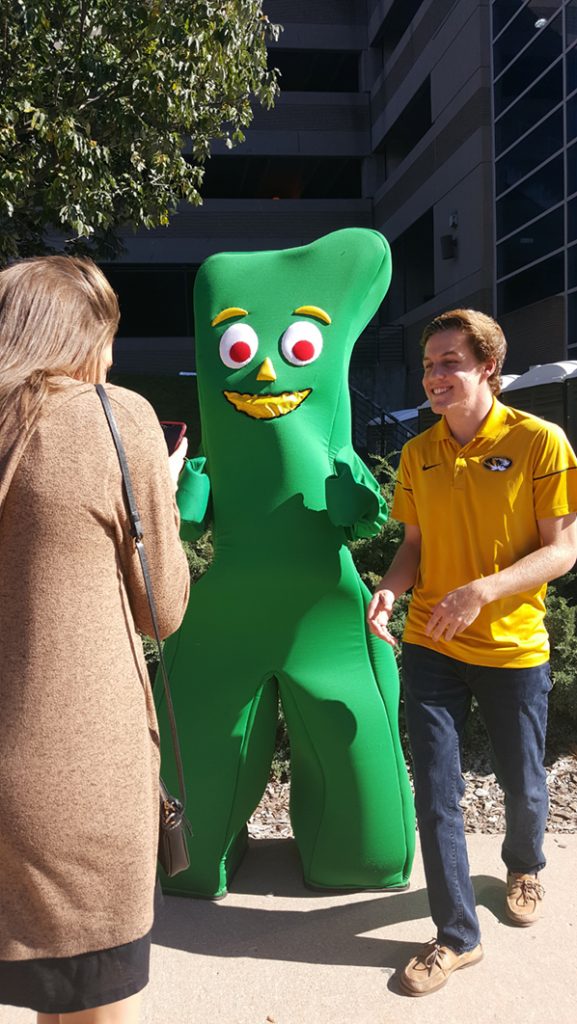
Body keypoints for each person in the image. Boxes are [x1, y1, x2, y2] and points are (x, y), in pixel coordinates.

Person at [0, 256, 190, 1023]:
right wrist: (161, 497)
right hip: (69, 776)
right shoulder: (114, 418)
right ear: (85, 337)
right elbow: (162, 607)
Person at [367, 309, 577, 997]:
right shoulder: (418, 451)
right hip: (430, 641)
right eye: (428, 364)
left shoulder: (538, 442)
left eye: (448, 362)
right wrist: (390, 592)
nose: (434, 376)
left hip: (513, 648)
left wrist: (481, 591)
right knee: (434, 791)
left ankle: (523, 864)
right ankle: (456, 935)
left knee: (521, 783)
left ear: (487, 365)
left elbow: (561, 549)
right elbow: (414, 546)